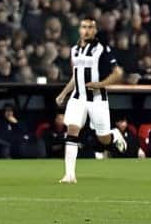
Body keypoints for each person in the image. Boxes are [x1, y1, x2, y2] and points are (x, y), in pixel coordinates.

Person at [54, 18, 127, 183]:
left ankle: (114, 135)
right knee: (72, 130)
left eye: (90, 27)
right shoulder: (74, 51)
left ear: (94, 31)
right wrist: (63, 93)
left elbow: (117, 73)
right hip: (78, 97)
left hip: (97, 99)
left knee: (103, 138)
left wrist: (100, 84)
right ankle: (69, 175)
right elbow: (76, 76)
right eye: (84, 27)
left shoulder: (102, 49)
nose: (86, 30)